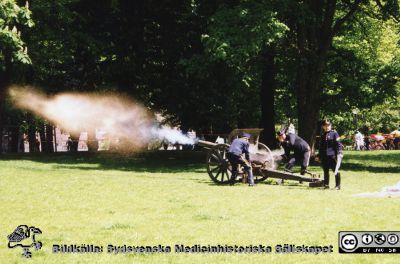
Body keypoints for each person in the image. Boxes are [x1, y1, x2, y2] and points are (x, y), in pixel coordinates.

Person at [318, 120, 343, 190]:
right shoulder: (322, 135)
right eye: (325, 126)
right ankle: (326, 185)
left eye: (328, 125)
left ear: (330, 126)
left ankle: (338, 186)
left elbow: (338, 144)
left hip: (332, 155)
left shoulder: (334, 133)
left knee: (335, 170)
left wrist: (340, 152)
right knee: (325, 171)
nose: (327, 127)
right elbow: (321, 147)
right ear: (323, 127)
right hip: (324, 156)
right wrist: (319, 156)